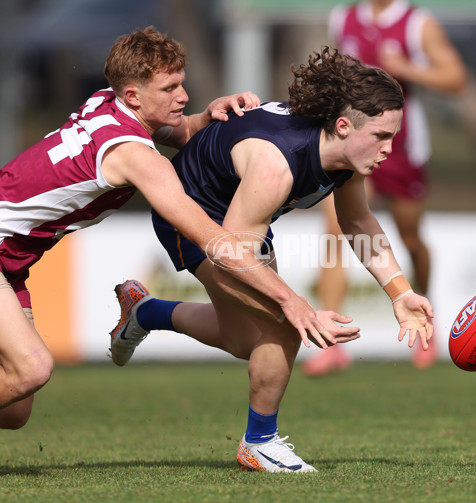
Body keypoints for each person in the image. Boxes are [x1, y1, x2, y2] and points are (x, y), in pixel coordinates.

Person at [0, 26, 344, 431]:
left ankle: (148, 313)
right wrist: (290, 300)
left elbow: (176, 131)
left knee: (14, 409)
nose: (181, 95)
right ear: (133, 95)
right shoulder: (135, 156)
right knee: (32, 370)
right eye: (169, 88)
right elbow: (215, 239)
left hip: (12, 264)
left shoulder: (107, 103)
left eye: (181, 83)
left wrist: (208, 116)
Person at [109, 47, 435, 473]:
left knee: (249, 339)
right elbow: (230, 255)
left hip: (241, 217)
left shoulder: (345, 153)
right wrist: (291, 303)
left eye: (393, 135)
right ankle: (258, 443)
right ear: (342, 125)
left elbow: (357, 222)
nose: (390, 149)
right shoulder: (274, 167)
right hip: (194, 214)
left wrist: (400, 292)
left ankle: (146, 311)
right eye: (381, 136)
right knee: (281, 325)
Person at [302, 0, 468, 376]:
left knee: (410, 239)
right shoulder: (342, 18)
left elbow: (456, 78)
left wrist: (408, 69)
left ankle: (426, 311)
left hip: (401, 147)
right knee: (335, 231)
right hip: (352, 144)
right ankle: (332, 342)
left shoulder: (416, 23)